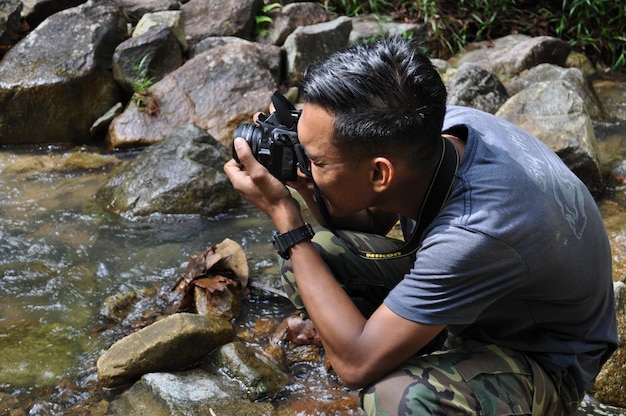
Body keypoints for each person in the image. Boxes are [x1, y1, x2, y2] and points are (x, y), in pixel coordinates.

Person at [224, 36, 617, 415]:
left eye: (317, 160)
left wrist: (284, 215)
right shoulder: (430, 130)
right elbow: (372, 217)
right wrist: (306, 182)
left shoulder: (475, 231)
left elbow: (355, 367)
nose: (307, 162)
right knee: (319, 253)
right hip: (480, 303)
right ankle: (401, 343)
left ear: (380, 172)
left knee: (398, 397)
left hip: (546, 359)